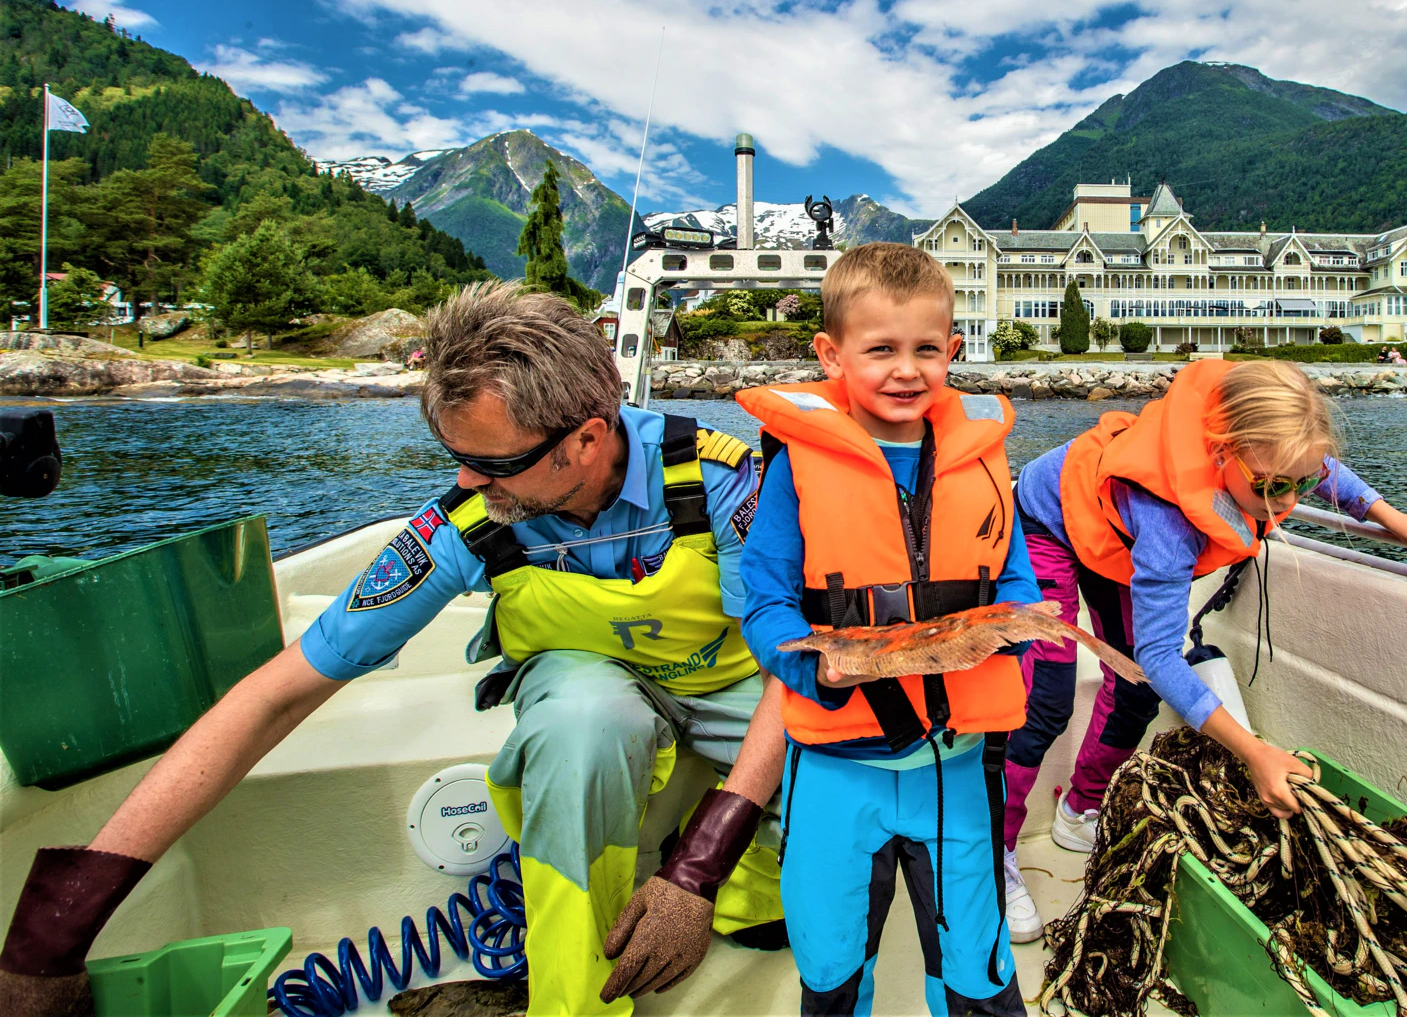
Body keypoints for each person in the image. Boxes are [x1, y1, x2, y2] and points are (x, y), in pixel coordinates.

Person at [0, 283, 788, 1017]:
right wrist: (55, 929)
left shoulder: (724, 485)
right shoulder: (467, 520)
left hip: (738, 684)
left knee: (854, 750)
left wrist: (695, 875)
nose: (468, 482)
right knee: (582, 723)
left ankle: (738, 889)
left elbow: (796, 671)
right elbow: (277, 693)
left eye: (494, 463)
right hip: (595, 690)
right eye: (455, 455)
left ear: (586, 439)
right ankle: (570, 995)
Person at [995, 358, 1407, 944]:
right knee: (1045, 700)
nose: (1282, 500)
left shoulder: (1270, 458)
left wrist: (1394, 519)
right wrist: (1254, 752)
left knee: (1134, 687)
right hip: (1050, 525)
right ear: (1219, 450)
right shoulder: (1170, 521)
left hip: (1113, 537)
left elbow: (1320, 468)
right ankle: (996, 856)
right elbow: (1164, 654)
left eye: (1297, 484)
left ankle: (1079, 810)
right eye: (1268, 486)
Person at [737, 243, 1037, 1017]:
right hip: (838, 765)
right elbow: (766, 606)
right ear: (831, 355)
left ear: (953, 352)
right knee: (832, 962)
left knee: (979, 967)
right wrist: (816, 672)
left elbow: (1012, 579)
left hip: (958, 763)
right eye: (881, 350)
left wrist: (1022, 630)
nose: (906, 370)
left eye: (926, 350)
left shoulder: (983, 459)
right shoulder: (795, 467)